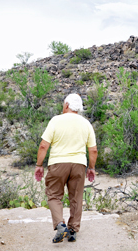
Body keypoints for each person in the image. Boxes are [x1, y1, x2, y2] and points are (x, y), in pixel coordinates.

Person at [34, 93, 97, 243]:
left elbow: (44, 145)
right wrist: (91, 168)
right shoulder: (86, 123)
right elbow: (93, 150)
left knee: (54, 195)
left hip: (58, 163)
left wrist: (39, 165)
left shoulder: (56, 121)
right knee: (76, 197)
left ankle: (60, 225)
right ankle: (73, 230)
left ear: (67, 105)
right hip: (79, 164)